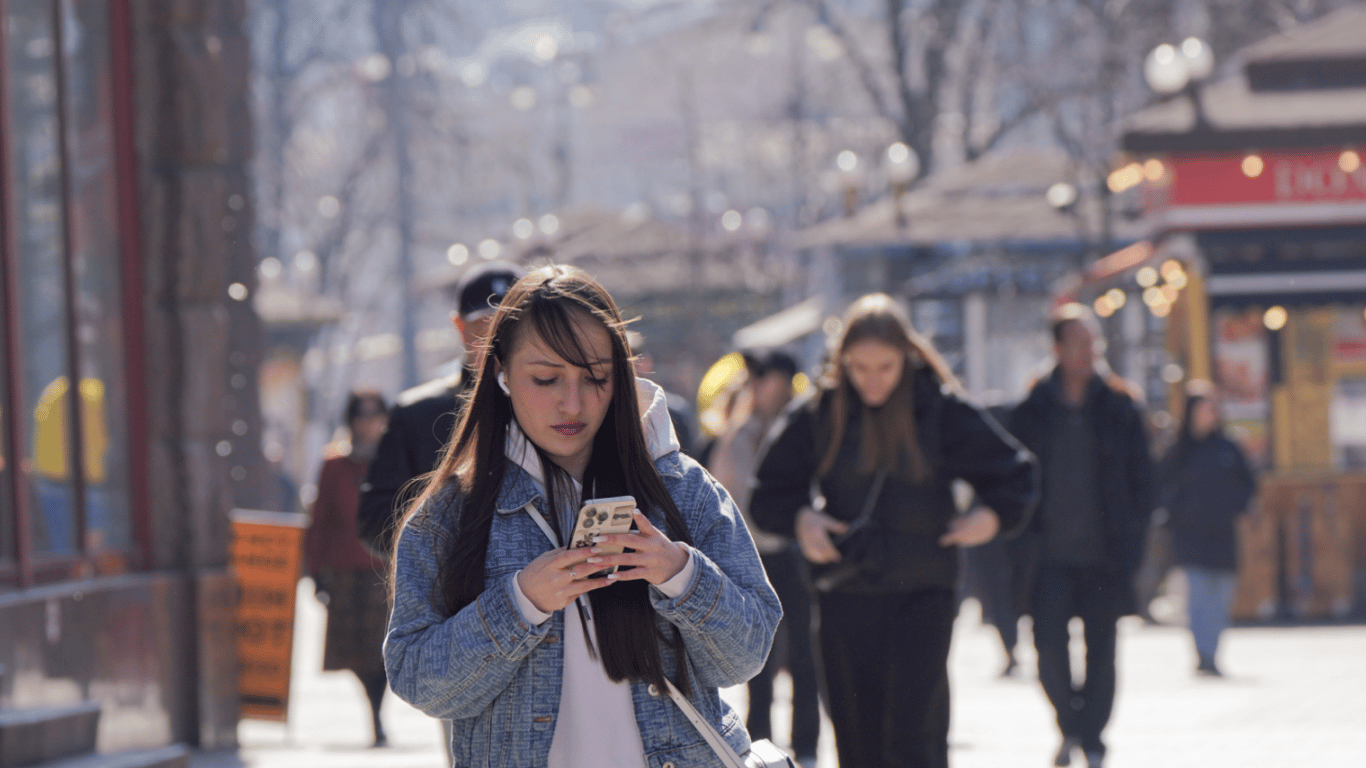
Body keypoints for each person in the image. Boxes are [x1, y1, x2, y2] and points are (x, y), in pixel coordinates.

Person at [383, 265, 781, 767]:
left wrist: (680, 574)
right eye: (545, 379)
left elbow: (747, 655)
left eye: (595, 377)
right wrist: (519, 603)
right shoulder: (452, 512)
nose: (572, 403)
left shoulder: (680, 488)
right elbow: (417, 679)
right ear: (501, 372)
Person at [750, 293, 1038, 768]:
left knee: (914, 735)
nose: (873, 380)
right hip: (844, 594)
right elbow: (767, 494)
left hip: (924, 592)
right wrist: (802, 518)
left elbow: (1016, 473)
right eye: (859, 368)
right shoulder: (820, 412)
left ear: (907, 356)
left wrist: (990, 517)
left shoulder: (939, 409)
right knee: (856, 739)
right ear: (842, 362)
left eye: (885, 367)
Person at [1006, 303, 1154, 768]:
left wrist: (1134, 537)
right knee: (1048, 647)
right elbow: (1012, 479)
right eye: (1078, 343)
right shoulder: (1032, 409)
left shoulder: (1120, 406)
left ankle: (1092, 736)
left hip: (1104, 554)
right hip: (1046, 555)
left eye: (1093, 343)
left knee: (1103, 650)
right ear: (1057, 348)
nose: (1088, 352)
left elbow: (1143, 480)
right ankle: (1069, 724)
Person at [357, 261, 524, 554]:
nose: (496, 343)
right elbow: (375, 519)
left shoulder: (561, 405)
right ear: (460, 327)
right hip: (450, 580)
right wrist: (447, 542)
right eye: (483, 328)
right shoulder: (417, 415)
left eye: (510, 328)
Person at [707, 349, 821, 766]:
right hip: (753, 557)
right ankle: (760, 743)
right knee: (759, 660)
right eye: (754, 377)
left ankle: (807, 747)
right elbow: (722, 495)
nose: (757, 385)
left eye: (765, 377)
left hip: (796, 552)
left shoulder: (806, 424)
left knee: (806, 655)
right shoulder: (737, 432)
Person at [303, 391, 392, 747]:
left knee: (383, 648)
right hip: (344, 571)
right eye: (362, 416)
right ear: (351, 421)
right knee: (355, 651)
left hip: (384, 570)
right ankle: (373, 708)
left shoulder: (392, 462)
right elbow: (320, 520)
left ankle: (377, 711)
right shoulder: (335, 466)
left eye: (375, 415)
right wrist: (315, 570)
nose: (368, 423)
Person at [1158, 379, 1257, 676]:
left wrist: (1236, 507)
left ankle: (1213, 650)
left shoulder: (1227, 447)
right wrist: (1176, 512)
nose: (1207, 415)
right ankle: (1203, 654)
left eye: (1211, 409)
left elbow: (1248, 483)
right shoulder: (1179, 450)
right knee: (1198, 597)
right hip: (1191, 535)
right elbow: (1160, 485)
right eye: (1202, 409)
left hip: (1223, 534)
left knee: (1221, 595)